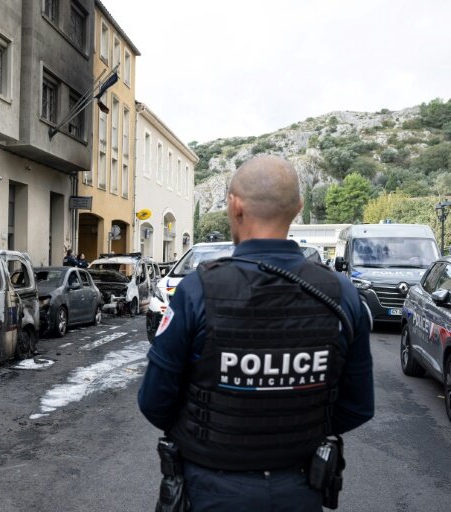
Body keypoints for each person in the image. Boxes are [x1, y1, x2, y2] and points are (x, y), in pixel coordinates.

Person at [138, 155, 374, 511]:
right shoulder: (341, 295)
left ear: (234, 206)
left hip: (211, 490)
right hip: (300, 487)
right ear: (298, 208)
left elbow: (155, 401)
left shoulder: (197, 290)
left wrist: (215, 433)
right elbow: (357, 406)